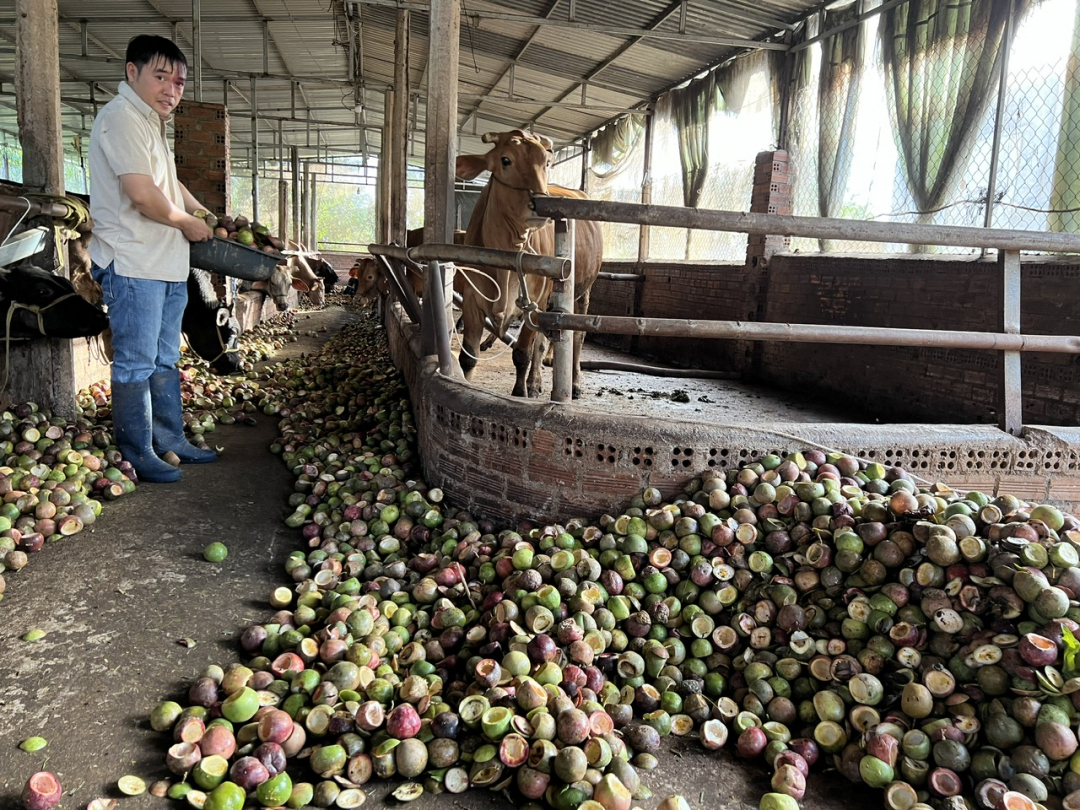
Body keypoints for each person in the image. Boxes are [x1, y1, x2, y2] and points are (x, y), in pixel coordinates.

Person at [87, 35, 216, 483]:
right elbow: (142, 195)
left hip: (165, 264)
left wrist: (198, 210)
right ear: (132, 72)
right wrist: (186, 223)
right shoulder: (121, 119)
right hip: (133, 262)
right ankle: (137, 448)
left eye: (178, 82)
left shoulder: (150, 122)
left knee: (164, 359)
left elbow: (167, 183)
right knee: (135, 361)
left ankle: (170, 439)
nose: (171, 90)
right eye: (161, 77)